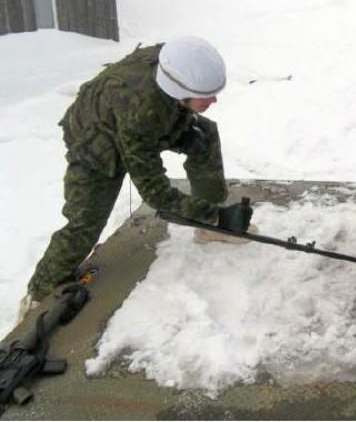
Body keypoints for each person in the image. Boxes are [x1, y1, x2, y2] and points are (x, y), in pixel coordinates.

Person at [19, 37, 253, 319]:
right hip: (96, 143)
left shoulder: (173, 63)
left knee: (203, 137)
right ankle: (38, 295)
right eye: (206, 94)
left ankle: (209, 227)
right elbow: (156, 193)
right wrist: (215, 213)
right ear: (179, 89)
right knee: (85, 223)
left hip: (151, 113)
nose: (214, 100)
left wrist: (211, 214)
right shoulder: (141, 113)